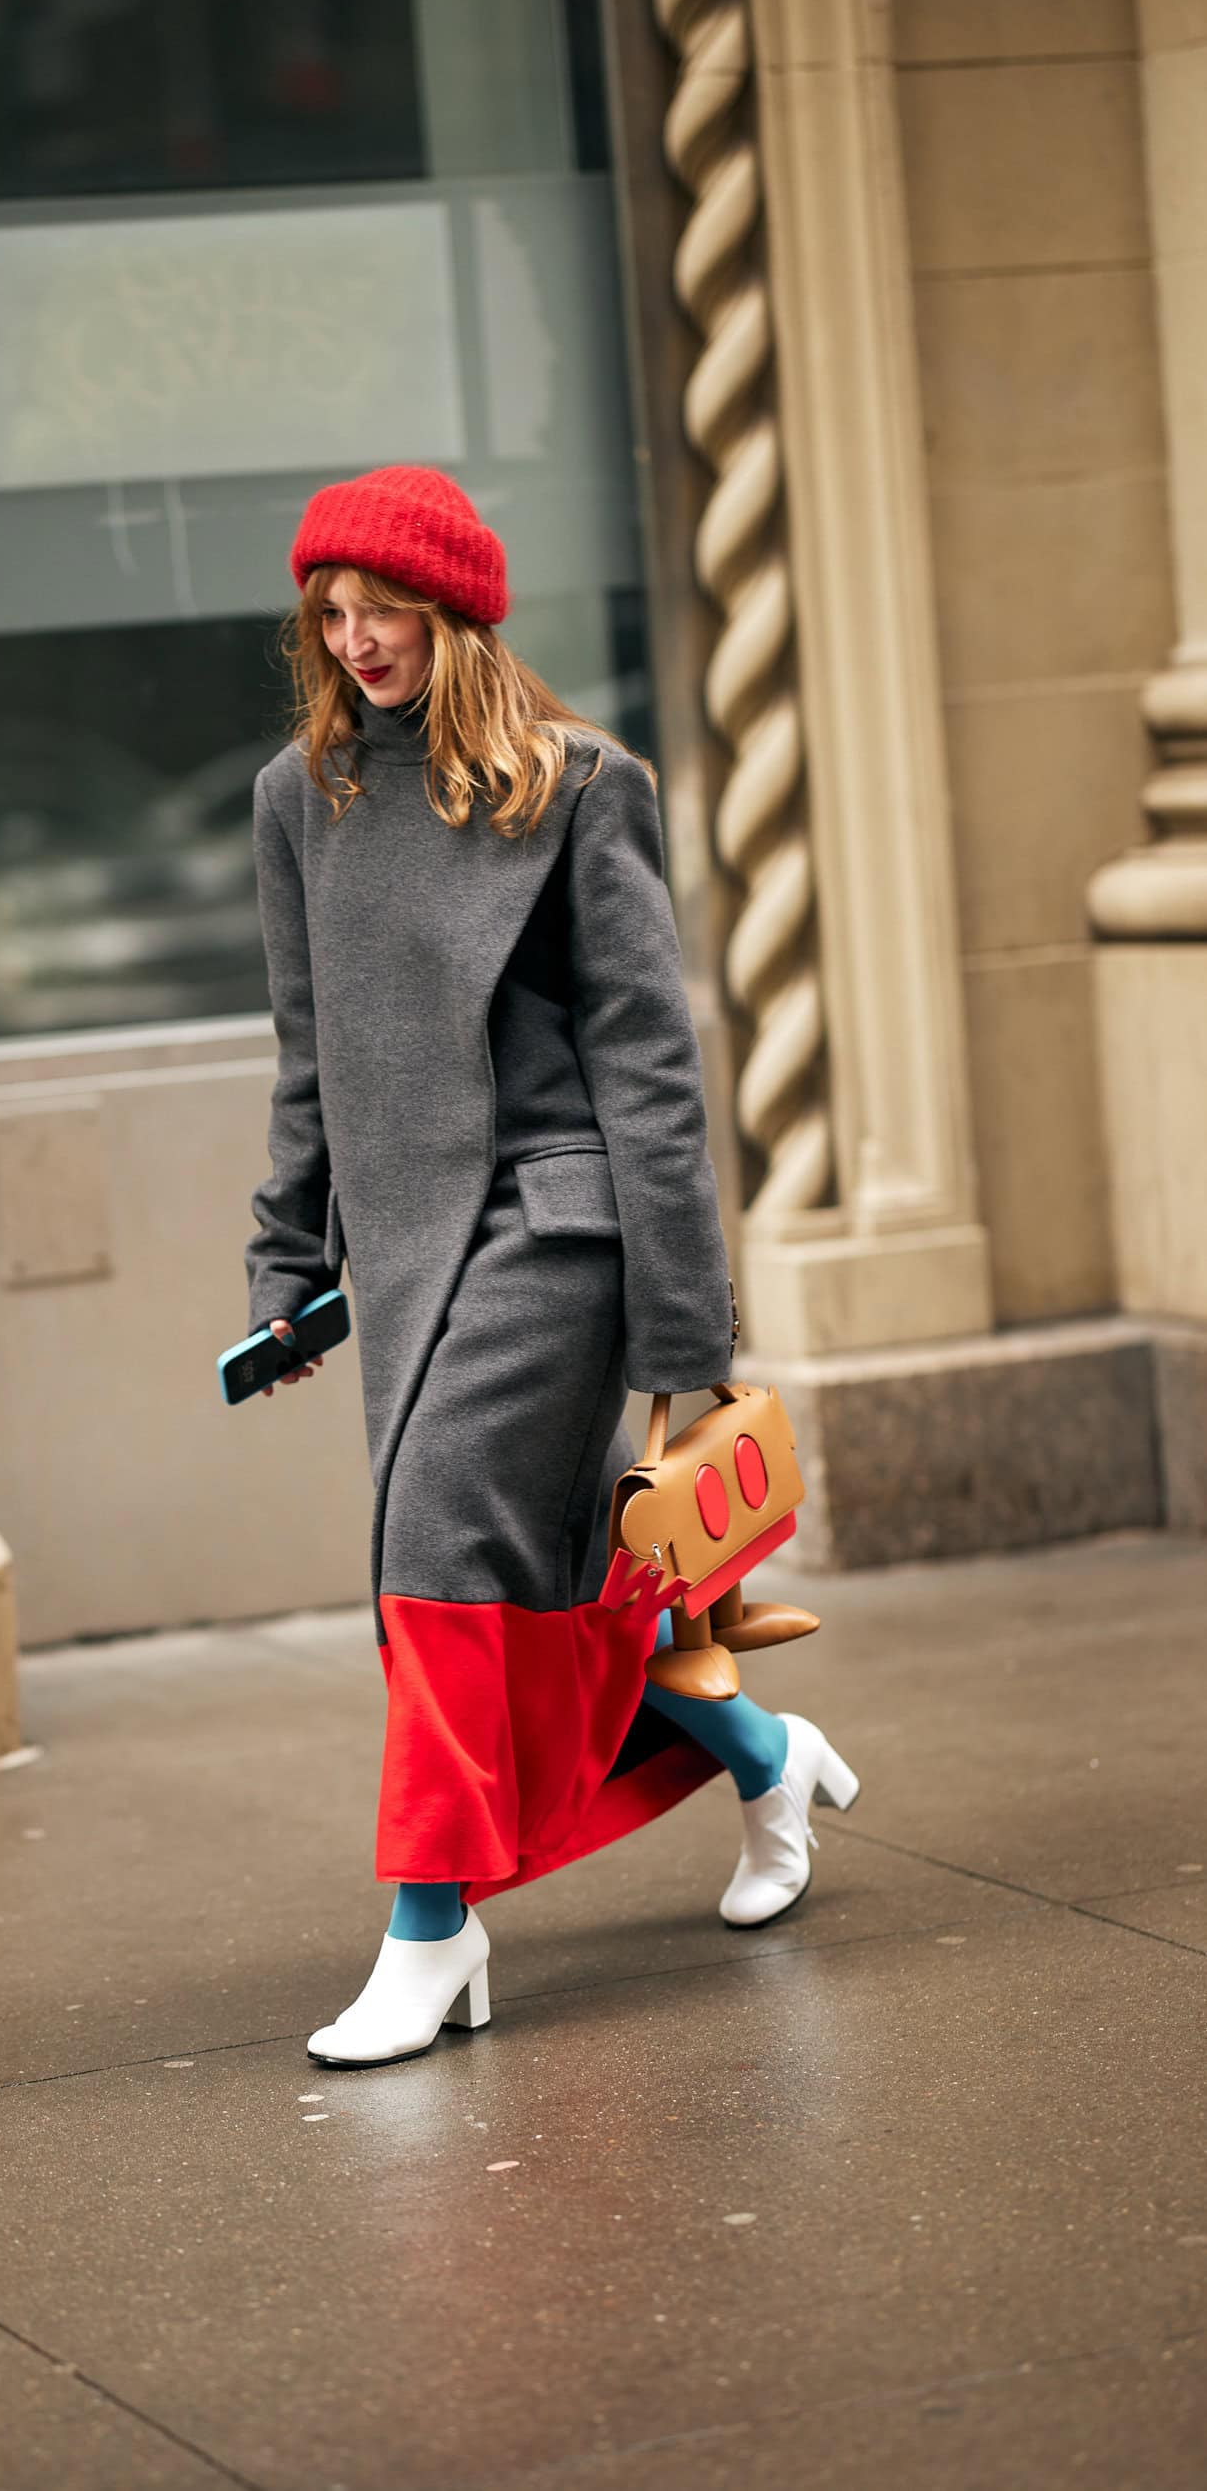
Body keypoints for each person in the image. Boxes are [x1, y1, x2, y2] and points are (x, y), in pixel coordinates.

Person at [245, 464, 858, 2069]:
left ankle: (431, 1933)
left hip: (561, 1228)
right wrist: (280, 1267)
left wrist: (685, 1321)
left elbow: (649, 1065)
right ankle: (763, 1750)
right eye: (331, 609)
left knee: (438, 1548)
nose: (353, 635)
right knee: (530, 1583)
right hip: (405, 1249)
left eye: (382, 607)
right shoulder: (296, 801)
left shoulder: (580, 785)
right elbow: (308, 1061)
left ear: (456, 614)